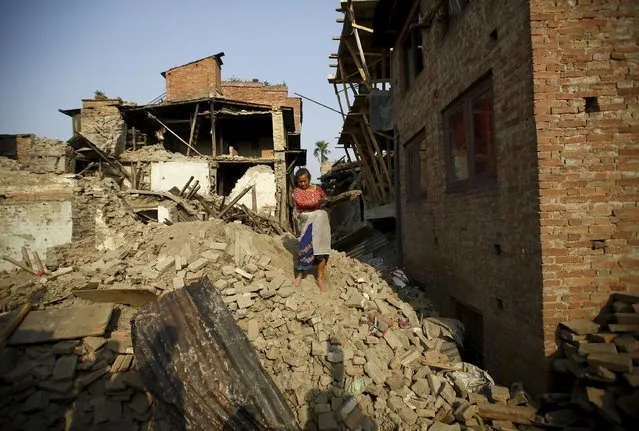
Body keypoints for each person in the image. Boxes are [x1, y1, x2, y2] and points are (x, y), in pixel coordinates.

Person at [292, 168, 331, 292]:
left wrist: (323, 202)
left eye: (305, 181)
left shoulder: (318, 189)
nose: (303, 184)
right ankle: (299, 274)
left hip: (321, 221)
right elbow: (302, 203)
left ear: (309, 178)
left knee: (321, 248)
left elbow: (326, 200)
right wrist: (318, 202)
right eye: (300, 182)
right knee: (304, 245)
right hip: (306, 219)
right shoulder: (297, 191)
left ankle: (320, 278)